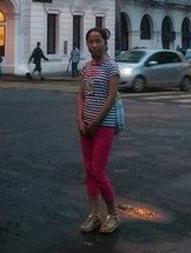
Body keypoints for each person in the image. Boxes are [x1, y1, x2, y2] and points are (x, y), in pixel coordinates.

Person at [76, 27, 121, 235]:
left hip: (103, 126)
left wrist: (95, 122)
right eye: (90, 42)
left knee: (98, 171)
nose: (94, 45)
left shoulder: (112, 67)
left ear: (105, 43)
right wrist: (80, 120)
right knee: (88, 170)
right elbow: (81, 95)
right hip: (86, 126)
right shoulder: (86, 67)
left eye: (98, 41)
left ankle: (113, 214)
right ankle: (94, 214)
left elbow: (111, 97)